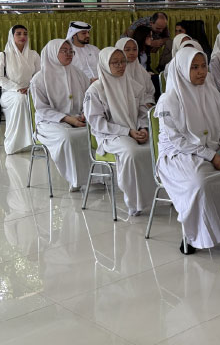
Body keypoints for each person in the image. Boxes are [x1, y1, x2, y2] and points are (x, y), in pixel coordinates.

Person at [155, 47, 220, 253]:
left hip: (212, 150)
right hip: (178, 155)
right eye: (194, 67)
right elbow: (178, 141)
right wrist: (211, 156)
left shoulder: (211, 92)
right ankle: (193, 235)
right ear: (182, 70)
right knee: (199, 182)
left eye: (203, 66)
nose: (201, 72)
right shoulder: (169, 100)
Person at [83, 48, 155, 216]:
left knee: (159, 146)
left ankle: (159, 195)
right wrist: (127, 131)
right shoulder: (95, 90)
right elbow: (96, 122)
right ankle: (135, 201)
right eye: (114, 62)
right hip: (110, 135)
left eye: (122, 61)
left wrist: (143, 128)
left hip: (134, 131)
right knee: (132, 152)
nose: (120, 65)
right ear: (104, 64)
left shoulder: (133, 85)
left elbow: (143, 112)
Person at [30, 39, 92, 190]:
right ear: (52, 53)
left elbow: (89, 98)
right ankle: (75, 179)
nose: (69, 54)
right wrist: (68, 119)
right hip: (49, 122)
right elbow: (41, 109)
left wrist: (84, 113)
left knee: (97, 131)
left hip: (78, 117)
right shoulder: (39, 79)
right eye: (63, 51)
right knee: (68, 137)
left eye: (70, 51)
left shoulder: (78, 74)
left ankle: (95, 177)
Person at [0, 26, 40, 154]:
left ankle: (36, 140)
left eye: (25, 34)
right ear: (12, 36)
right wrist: (18, 88)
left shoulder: (33, 55)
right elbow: (0, 79)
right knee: (21, 99)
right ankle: (15, 143)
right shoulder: (3, 55)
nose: (23, 36)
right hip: (9, 93)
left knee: (38, 99)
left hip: (31, 90)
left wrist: (30, 88)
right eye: (18, 34)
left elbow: (40, 76)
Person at [114, 37, 155, 107]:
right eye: (127, 50)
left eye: (134, 49)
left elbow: (150, 91)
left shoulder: (141, 70)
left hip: (144, 108)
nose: (132, 53)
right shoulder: (116, 71)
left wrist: (148, 102)